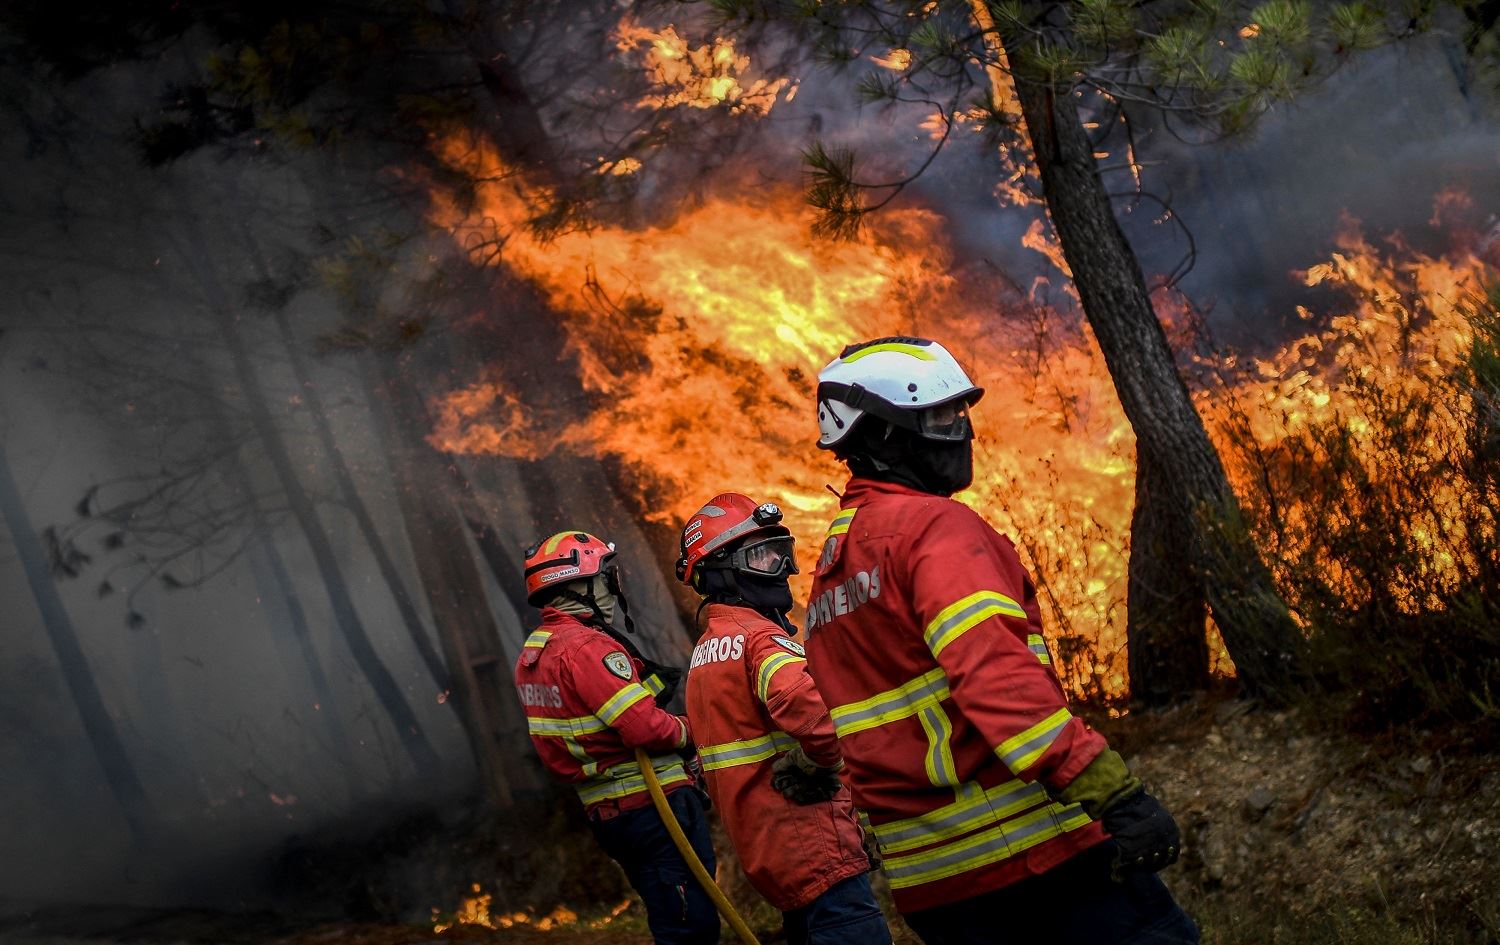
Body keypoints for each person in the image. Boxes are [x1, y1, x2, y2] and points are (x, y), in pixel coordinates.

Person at [803, 336, 1198, 945]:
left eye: (960, 412)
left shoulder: (834, 573)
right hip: (1031, 858)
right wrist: (1108, 790)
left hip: (937, 889)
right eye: (937, 416)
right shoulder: (930, 529)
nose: (960, 431)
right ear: (879, 434)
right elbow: (997, 679)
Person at [675, 493, 891, 945]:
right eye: (762, 555)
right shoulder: (760, 642)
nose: (783, 567)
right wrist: (820, 762)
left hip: (772, 855)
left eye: (781, 550)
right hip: (815, 846)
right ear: (721, 573)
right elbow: (821, 724)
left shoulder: (702, 658)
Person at [515, 530, 719, 945]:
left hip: (609, 814)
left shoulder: (535, 653)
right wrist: (695, 731)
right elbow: (645, 728)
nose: (612, 587)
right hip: (653, 806)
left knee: (671, 915)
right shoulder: (587, 649)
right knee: (690, 927)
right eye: (605, 577)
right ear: (579, 585)